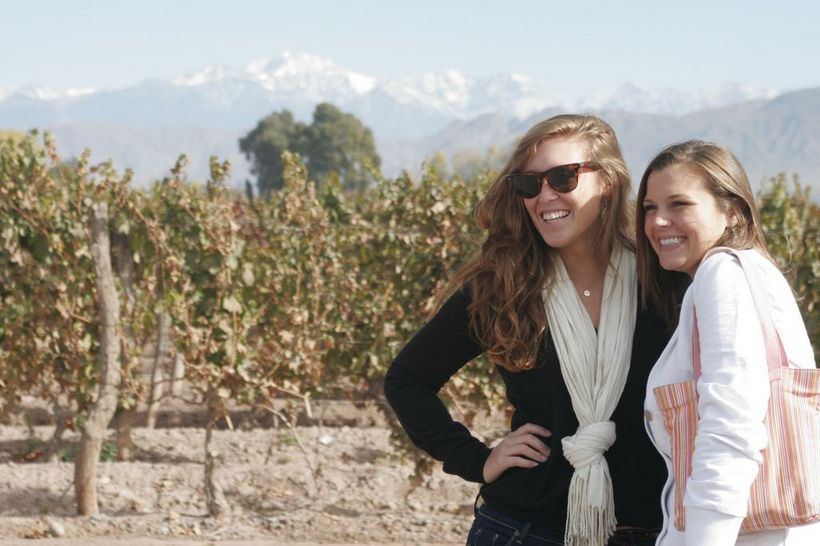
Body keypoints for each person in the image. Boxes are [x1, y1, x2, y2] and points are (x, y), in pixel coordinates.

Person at [384, 114, 670, 546]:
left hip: (652, 531)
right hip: (524, 530)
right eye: (529, 184)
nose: (545, 195)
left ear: (608, 181)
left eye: (563, 177)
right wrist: (477, 459)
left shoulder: (662, 284)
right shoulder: (503, 286)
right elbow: (407, 380)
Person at [636, 140, 818, 545]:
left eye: (679, 204)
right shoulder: (753, 272)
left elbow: (730, 424)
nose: (658, 222)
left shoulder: (722, 275)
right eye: (650, 207)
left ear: (732, 210)